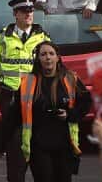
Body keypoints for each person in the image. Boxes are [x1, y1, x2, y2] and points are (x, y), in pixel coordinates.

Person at [0, 0, 50, 182]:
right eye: (24, 11)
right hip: (11, 100)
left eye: (31, 11)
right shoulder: (2, 38)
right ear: (15, 14)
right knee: (15, 149)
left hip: (36, 99)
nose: (29, 14)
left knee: (40, 149)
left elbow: (53, 73)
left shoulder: (43, 38)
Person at [17, 41, 92, 182]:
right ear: (38, 59)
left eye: (51, 54)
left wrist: (69, 114)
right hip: (38, 145)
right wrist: (2, 143)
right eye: (43, 54)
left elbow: (86, 102)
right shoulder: (28, 82)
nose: (48, 57)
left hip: (64, 145)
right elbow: (14, 113)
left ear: (58, 57)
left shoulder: (70, 78)